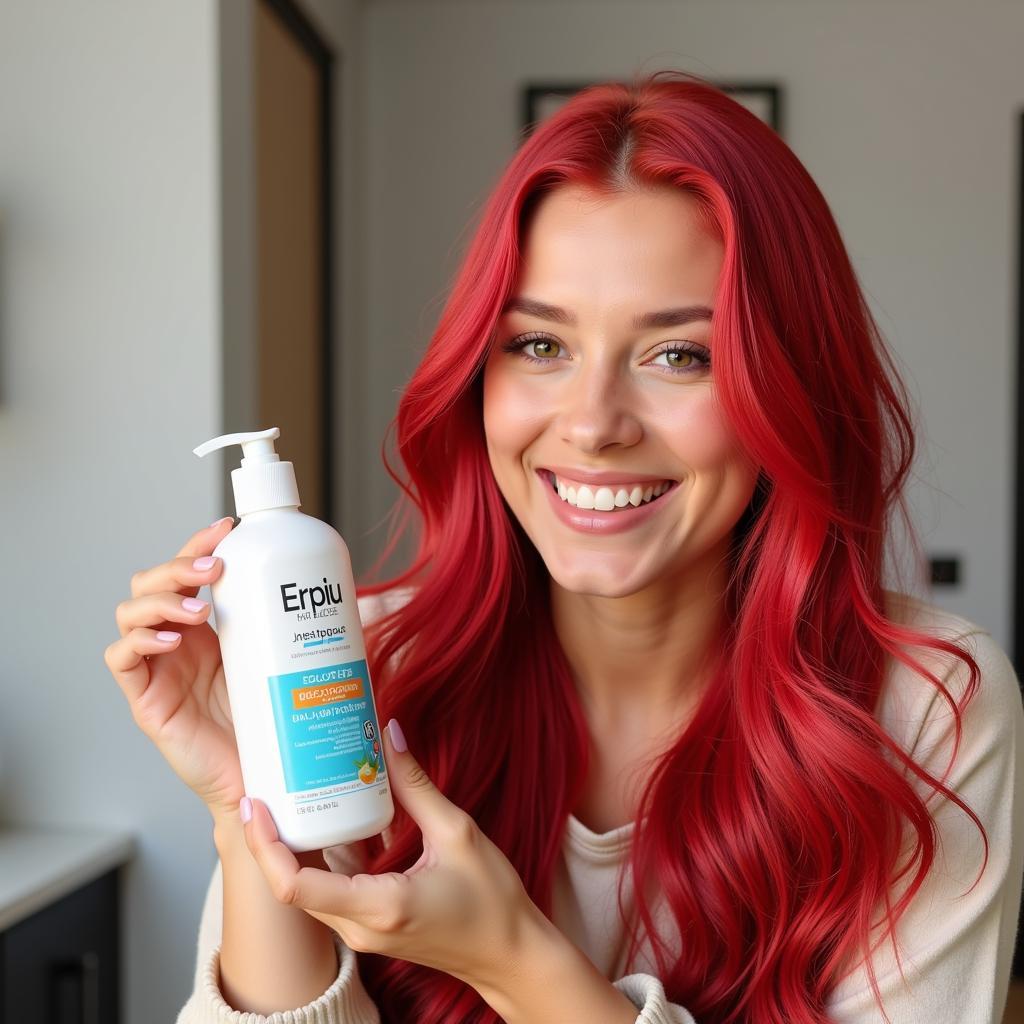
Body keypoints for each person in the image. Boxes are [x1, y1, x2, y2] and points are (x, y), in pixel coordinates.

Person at [104, 70, 1024, 1024]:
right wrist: (248, 804)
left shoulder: (923, 706)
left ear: (784, 389)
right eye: (539, 345)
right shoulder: (351, 664)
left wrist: (512, 959)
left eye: (681, 354)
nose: (592, 425)